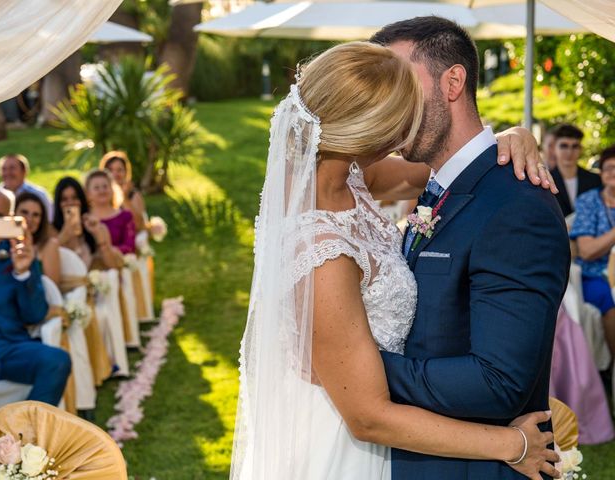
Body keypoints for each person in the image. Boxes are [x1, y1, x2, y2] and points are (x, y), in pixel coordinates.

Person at [231, 40, 562, 480]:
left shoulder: (349, 172)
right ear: (372, 131)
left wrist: (509, 137)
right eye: (401, 117)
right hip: (344, 437)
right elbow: (367, 416)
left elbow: (446, 170)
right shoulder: (322, 252)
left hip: (385, 419)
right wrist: (512, 444)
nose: (409, 127)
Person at [367, 18, 569, 480]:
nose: (388, 103)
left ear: (453, 81)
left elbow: (498, 382)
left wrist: (361, 369)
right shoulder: (441, 184)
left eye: (399, 83)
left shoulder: (517, 206)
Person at [0, 187, 71, 418]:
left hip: (7, 343)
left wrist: (23, 273)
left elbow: (35, 314)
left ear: (9, 219)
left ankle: (23, 438)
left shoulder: (18, 251)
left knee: (57, 360)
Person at [569, 145, 615, 357]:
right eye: (608, 168)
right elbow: (586, 251)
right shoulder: (589, 201)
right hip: (594, 275)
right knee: (612, 304)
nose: (613, 173)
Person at [53, 177, 122, 270]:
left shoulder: (95, 225)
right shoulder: (50, 230)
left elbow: (112, 265)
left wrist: (97, 234)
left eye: (74, 198)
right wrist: (63, 236)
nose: (70, 203)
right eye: (64, 199)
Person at [549, 124, 602, 217]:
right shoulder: (545, 181)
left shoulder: (596, 180)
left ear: (581, 149)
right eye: (564, 146)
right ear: (553, 148)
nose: (569, 152)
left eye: (575, 146)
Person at [86, 170, 136, 255]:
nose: (102, 191)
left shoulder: (125, 216)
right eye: (96, 188)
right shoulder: (85, 218)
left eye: (105, 186)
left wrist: (108, 251)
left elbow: (129, 247)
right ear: (88, 193)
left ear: (112, 189)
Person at [15, 192, 60, 285]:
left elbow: (53, 288)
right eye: (24, 212)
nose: (29, 219)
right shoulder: (2, 243)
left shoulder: (49, 244)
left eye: (36, 215)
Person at [99, 151, 148, 232]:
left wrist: (124, 198)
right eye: (110, 170)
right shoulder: (100, 196)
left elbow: (139, 226)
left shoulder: (133, 194)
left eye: (119, 170)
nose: (115, 174)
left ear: (126, 172)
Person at [0, 154, 54, 221]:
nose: (7, 173)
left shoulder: (39, 194)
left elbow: (50, 220)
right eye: (4, 169)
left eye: (12, 168)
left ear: (24, 171)